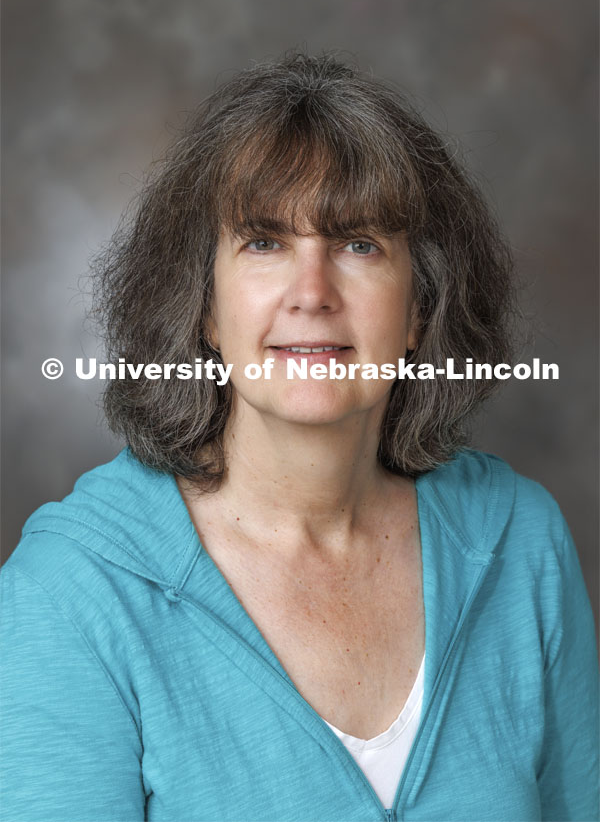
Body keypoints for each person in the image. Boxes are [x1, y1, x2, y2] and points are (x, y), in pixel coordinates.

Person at [1, 51, 597, 822]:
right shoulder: (72, 589)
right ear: (205, 309)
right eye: (263, 242)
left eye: (358, 244)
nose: (311, 293)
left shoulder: (524, 544)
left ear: (420, 310)